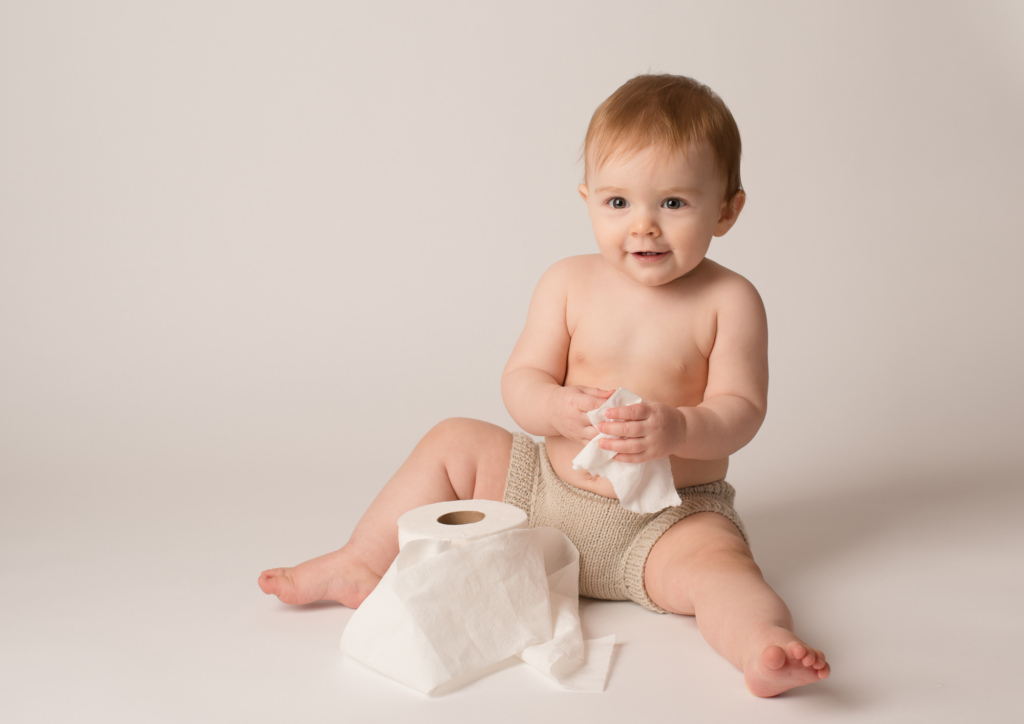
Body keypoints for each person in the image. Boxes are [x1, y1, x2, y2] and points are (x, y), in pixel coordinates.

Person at [259, 74, 830, 697]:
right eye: (618, 203)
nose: (643, 227)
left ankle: (761, 644)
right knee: (453, 438)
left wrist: (678, 427)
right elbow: (521, 381)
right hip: (544, 495)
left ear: (726, 209)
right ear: (587, 198)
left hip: (666, 521)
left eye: (672, 203)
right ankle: (360, 560)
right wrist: (556, 408)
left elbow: (742, 410)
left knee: (724, 573)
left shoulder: (730, 300)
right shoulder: (566, 283)